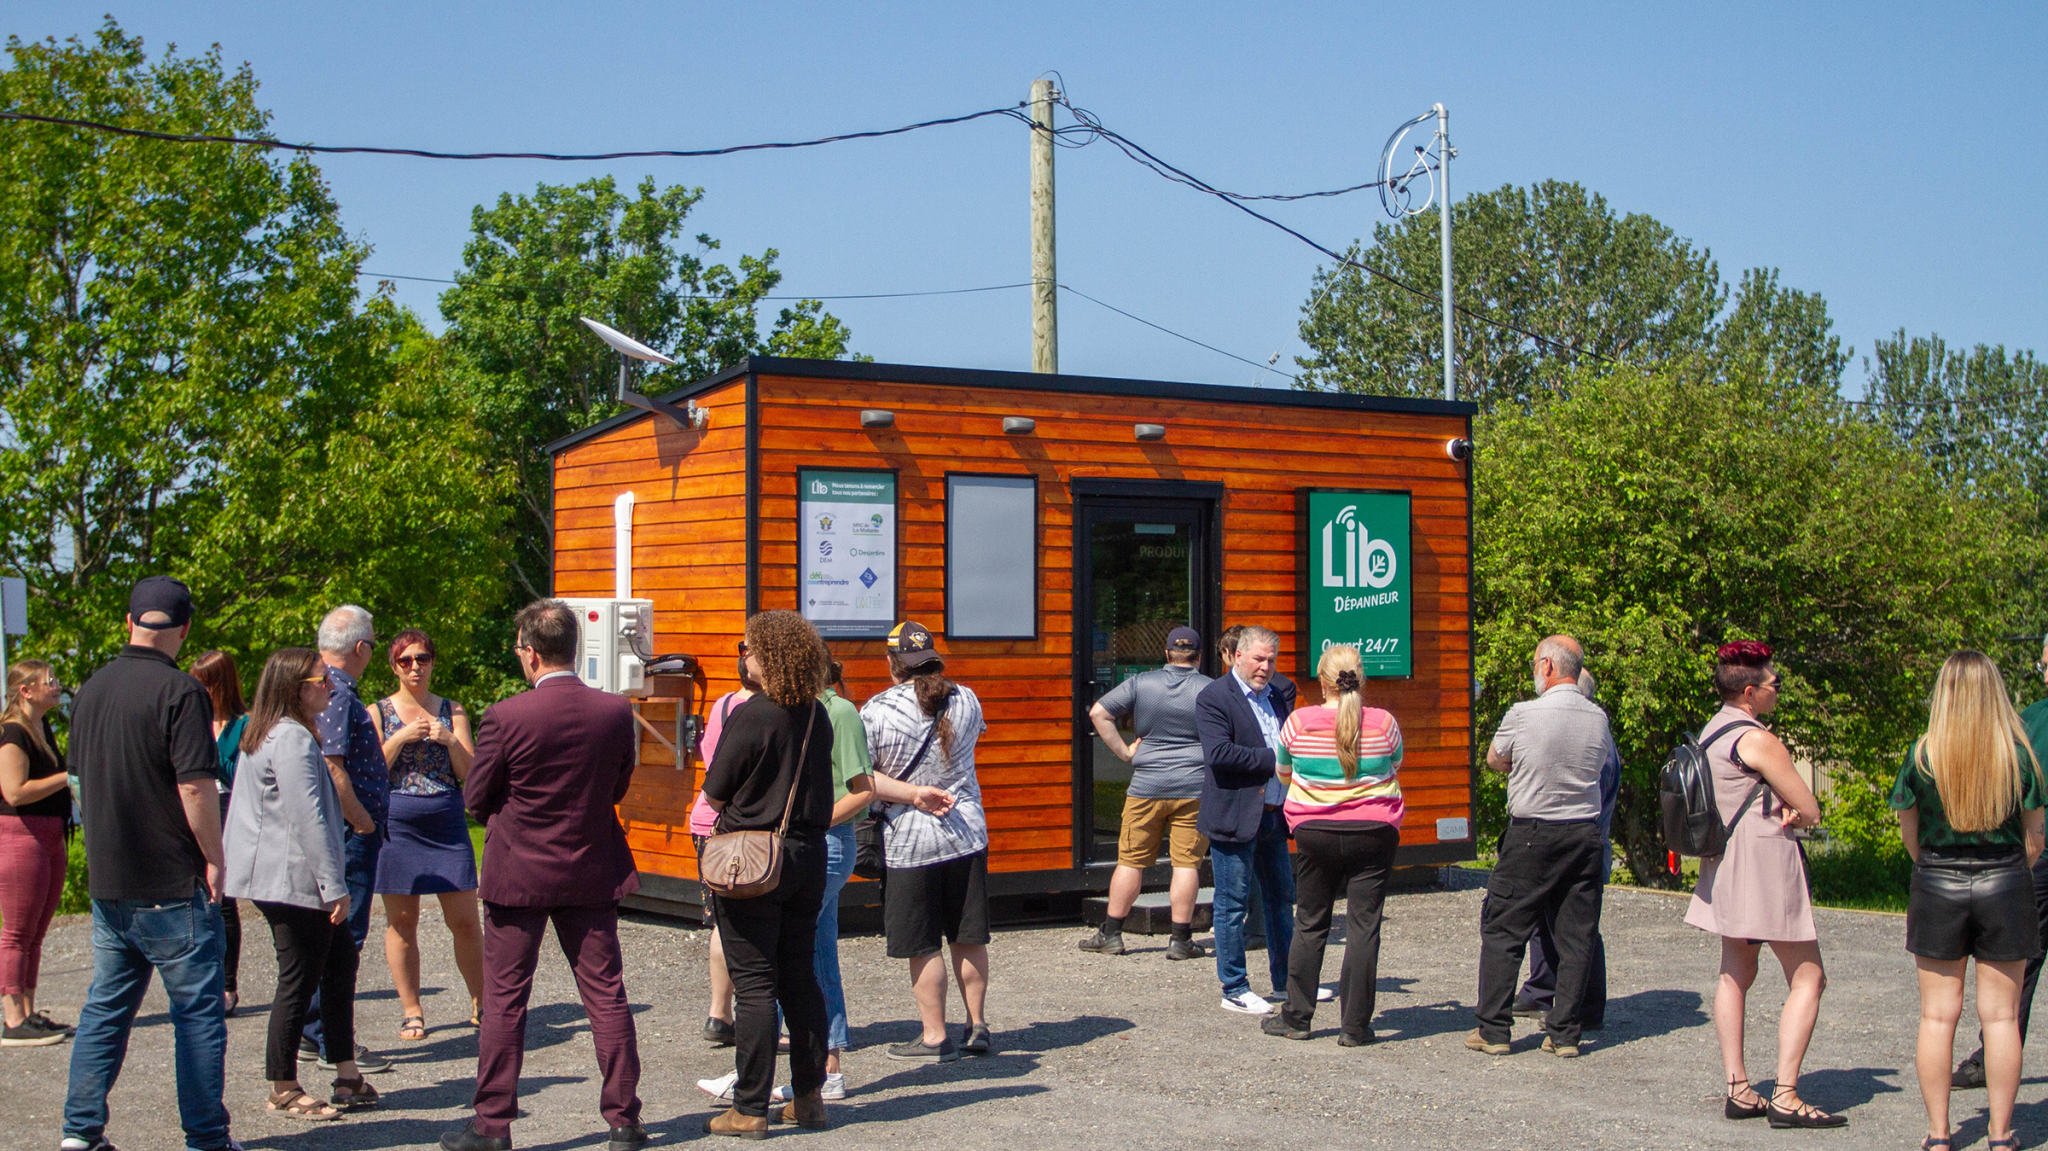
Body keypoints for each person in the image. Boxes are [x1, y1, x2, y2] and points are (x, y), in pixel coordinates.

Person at [441, 599, 645, 1151]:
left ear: (530, 653)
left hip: (519, 873)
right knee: (606, 995)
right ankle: (624, 1121)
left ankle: (492, 1126)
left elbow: (477, 797)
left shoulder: (506, 716)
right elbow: (617, 785)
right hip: (590, 866)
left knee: (505, 1000)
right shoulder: (613, 711)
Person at [61, 576, 235, 1151]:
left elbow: (77, 782)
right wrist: (215, 857)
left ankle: (80, 1133)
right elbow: (195, 788)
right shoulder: (183, 692)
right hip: (170, 881)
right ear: (184, 630)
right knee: (197, 1018)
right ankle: (206, 1138)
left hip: (110, 879)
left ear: (128, 624)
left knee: (106, 1011)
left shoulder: (89, 690)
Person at [1681, 641, 1842, 1127]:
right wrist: (1798, 810)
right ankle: (1787, 1094)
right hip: (1766, 864)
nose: (1778, 689)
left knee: (1735, 971)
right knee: (1809, 975)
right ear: (1749, 692)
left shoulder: (1710, 731)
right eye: (1774, 683)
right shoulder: (1757, 739)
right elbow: (1811, 809)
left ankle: (1739, 1088)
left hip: (1726, 861)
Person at [1893, 650, 2046, 1151]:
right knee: (2000, 1017)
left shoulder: (1921, 754)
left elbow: (1910, 837)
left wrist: (1936, 868)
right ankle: (2001, 1137)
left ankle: (1939, 1135)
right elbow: (2035, 838)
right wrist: (2008, 871)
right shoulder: (2018, 754)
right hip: (2006, 880)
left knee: (1937, 1016)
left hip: (1937, 881)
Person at [697, 610, 837, 1137]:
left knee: (754, 983)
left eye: (749, 649)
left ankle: (750, 1107)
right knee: (800, 977)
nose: (743, 658)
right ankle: (809, 1099)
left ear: (770, 657)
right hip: (807, 855)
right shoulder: (816, 715)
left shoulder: (755, 714)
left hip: (754, 857)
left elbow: (715, 791)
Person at [222, 648, 365, 1120]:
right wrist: (334, 885)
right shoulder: (290, 740)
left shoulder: (274, 732)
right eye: (322, 679)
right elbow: (309, 820)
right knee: (298, 977)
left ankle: (346, 1072)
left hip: (285, 877)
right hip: (291, 879)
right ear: (296, 687)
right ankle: (283, 1085)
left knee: (340, 958)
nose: (330, 685)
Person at [1469, 634, 1613, 1060]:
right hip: (1584, 834)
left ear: (1548, 665)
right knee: (1576, 934)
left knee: (1504, 927)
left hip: (1533, 830)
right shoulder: (1598, 718)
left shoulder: (1523, 714)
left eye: (1535, 663)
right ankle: (1565, 1032)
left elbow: (1496, 759)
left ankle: (1494, 1029)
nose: (1534, 670)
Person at [862, 620, 993, 1063]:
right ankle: (977, 1025)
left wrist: (914, 793)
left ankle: (935, 1035)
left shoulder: (877, 710)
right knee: (967, 935)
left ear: (891, 662)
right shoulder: (967, 698)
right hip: (967, 831)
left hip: (909, 842)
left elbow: (865, 778)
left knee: (922, 942)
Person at [1262, 644, 1403, 1045]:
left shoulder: (1299, 721)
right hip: (1374, 832)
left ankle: (1297, 1018)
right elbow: (1394, 765)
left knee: (1310, 922)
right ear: (1362, 678)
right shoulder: (1384, 722)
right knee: (1364, 927)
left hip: (1315, 831)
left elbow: (1283, 773)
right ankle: (1355, 1027)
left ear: (1322, 681)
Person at [373, 628, 484, 1041]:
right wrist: (400, 737)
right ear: (394, 666)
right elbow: (371, 770)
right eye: (406, 661)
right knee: (402, 920)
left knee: (465, 921)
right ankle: (412, 1009)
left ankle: (481, 1000)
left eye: (422, 659)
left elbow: (470, 772)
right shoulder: (377, 712)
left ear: (433, 662)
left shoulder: (451, 710)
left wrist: (449, 739)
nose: (415, 667)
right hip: (398, 826)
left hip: (446, 825)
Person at [1077, 625, 1213, 961]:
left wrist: (1125, 753)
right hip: (1194, 786)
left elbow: (1098, 712)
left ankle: (1111, 934)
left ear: (1166, 654)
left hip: (1146, 786)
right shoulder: (1210, 689)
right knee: (1186, 864)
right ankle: (1180, 940)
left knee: (1130, 861)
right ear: (1198, 657)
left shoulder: (1142, 683)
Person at [298, 605, 393, 1077]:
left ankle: (315, 1029)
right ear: (361, 648)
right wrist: (363, 823)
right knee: (343, 937)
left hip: (344, 830)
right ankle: (327, 1037)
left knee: (335, 935)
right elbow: (333, 766)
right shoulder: (334, 692)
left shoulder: (326, 689)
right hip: (347, 832)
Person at [1952, 633, 2048, 1089]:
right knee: (2022, 962)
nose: (2045, 674)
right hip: (2040, 856)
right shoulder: (2031, 719)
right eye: (2043, 666)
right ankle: (1993, 1055)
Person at [1195, 624, 1296, 1017]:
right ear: (1236, 655)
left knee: (1280, 900)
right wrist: (1275, 759)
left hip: (1274, 814)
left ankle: (1288, 981)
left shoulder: (1279, 694)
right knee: (1232, 905)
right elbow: (1219, 754)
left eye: (1271, 660)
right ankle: (1234, 986)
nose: (1265, 667)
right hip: (1234, 815)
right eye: (1257, 658)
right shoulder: (1214, 698)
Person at [1512, 668, 1618, 1028]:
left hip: (1583, 842)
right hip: (1574, 840)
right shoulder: (1591, 731)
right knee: (1545, 920)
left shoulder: (1594, 737)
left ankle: (1585, 1008)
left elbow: (1595, 795)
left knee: (1579, 929)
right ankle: (1541, 991)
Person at [1, 659, 74, 1047]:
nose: (57, 686)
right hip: (20, 834)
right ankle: (12, 1020)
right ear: (25, 690)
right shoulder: (13, 732)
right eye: (50, 681)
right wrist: (67, 777)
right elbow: (13, 791)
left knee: (37, 931)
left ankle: (28, 1012)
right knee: (16, 930)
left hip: (49, 833)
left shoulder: (42, 728)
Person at [690, 641, 758, 1050]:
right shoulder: (771, 714)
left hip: (705, 818)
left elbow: (708, 755)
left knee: (719, 917)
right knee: (741, 919)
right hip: (737, 821)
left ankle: (720, 1012)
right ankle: (736, 1012)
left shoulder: (723, 705)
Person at [190, 651, 249, 1017]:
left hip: (230, 808)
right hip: (196, 810)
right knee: (199, 898)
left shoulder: (242, 725)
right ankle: (204, 983)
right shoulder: (190, 720)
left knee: (224, 899)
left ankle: (228, 985)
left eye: (205, 683)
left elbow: (242, 775)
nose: (198, 689)